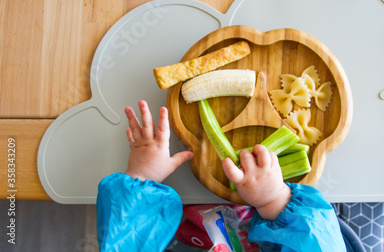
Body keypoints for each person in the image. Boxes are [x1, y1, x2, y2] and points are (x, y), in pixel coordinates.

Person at [96, 100, 348, 251]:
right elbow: (318, 242)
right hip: (287, 227)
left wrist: (141, 176)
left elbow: (124, 241)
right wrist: (275, 199)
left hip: (171, 225)